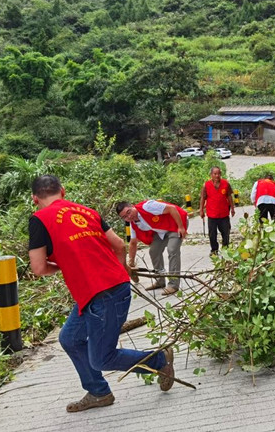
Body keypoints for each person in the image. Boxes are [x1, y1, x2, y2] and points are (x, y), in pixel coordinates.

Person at [28, 175, 174, 413]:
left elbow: (38, 267)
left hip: (102, 294)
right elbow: (119, 246)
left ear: (35, 199)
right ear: (62, 191)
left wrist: (66, 266)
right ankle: (99, 391)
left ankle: (159, 360)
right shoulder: (87, 212)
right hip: (104, 291)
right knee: (70, 339)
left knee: (101, 358)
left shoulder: (38, 220)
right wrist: (115, 274)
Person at [115, 199, 188, 296]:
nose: (129, 216)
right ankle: (160, 280)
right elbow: (133, 243)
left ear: (132, 206)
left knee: (172, 250)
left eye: (129, 212)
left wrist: (181, 227)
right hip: (161, 231)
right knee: (154, 251)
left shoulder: (147, 206)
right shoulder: (133, 224)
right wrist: (131, 262)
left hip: (176, 224)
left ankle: (173, 284)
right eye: (125, 217)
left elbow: (172, 208)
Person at [199, 166, 235, 255]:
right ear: (211, 175)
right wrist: (201, 210)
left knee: (226, 232)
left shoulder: (226, 184)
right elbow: (203, 198)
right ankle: (214, 250)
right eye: (215, 174)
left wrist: (232, 208)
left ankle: (225, 248)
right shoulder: (206, 185)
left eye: (218, 173)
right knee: (212, 234)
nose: (217, 175)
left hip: (224, 214)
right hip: (212, 214)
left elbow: (230, 197)